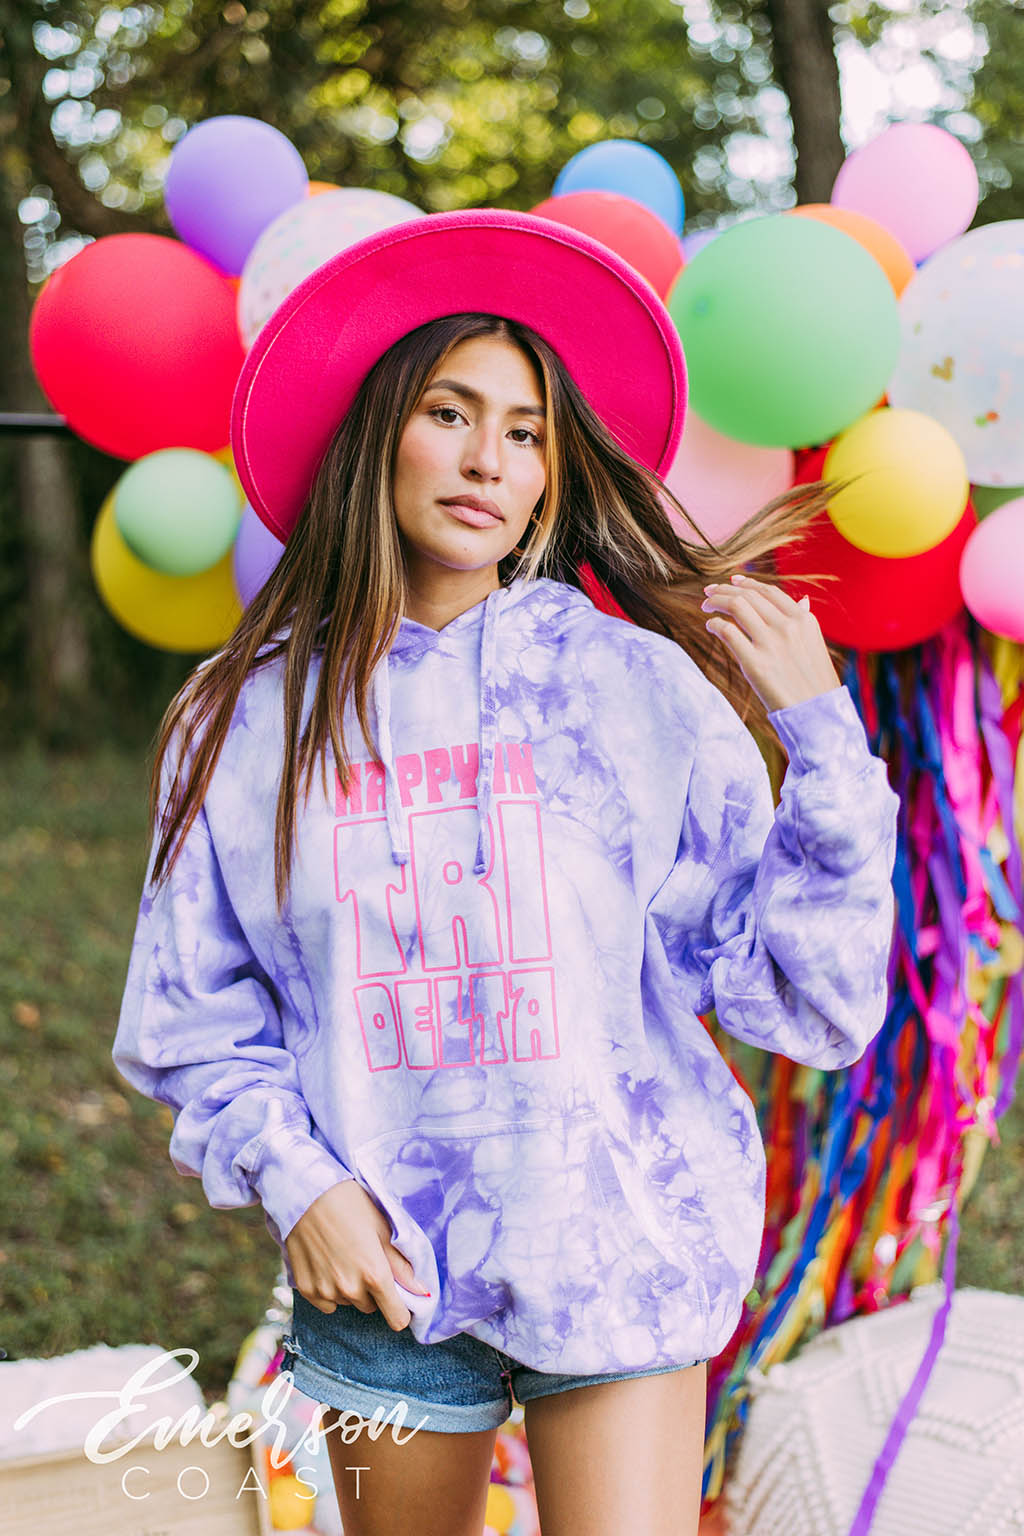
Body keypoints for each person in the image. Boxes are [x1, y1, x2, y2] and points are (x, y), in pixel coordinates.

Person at [112, 209, 900, 1536]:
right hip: (383, 1278)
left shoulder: (634, 688)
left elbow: (806, 1004)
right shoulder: (244, 716)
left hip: (620, 1248)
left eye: (527, 432)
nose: (489, 460)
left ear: (551, 471)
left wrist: (823, 741)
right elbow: (191, 1013)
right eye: (450, 413)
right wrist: (302, 1187)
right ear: (378, 433)